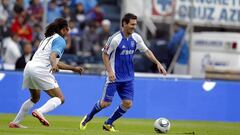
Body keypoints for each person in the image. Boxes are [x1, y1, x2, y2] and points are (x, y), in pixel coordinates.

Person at [79, 13, 167, 132]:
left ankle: (108, 123)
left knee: (128, 103)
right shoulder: (115, 39)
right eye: (132, 24)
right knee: (105, 103)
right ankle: (88, 117)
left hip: (128, 78)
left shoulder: (136, 38)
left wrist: (157, 63)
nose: (134, 27)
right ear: (124, 24)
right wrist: (109, 71)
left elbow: (146, 51)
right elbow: (105, 55)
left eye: (135, 24)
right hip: (114, 76)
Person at [9, 18, 84, 128]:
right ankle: (40, 112)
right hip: (41, 70)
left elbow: (54, 60)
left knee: (35, 98)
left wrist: (73, 69)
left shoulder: (46, 39)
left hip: (29, 67)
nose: (68, 31)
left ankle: (15, 123)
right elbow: (52, 56)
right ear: (63, 30)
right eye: (67, 29)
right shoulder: (60, 40)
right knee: (60, 98)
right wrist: (53, 64)